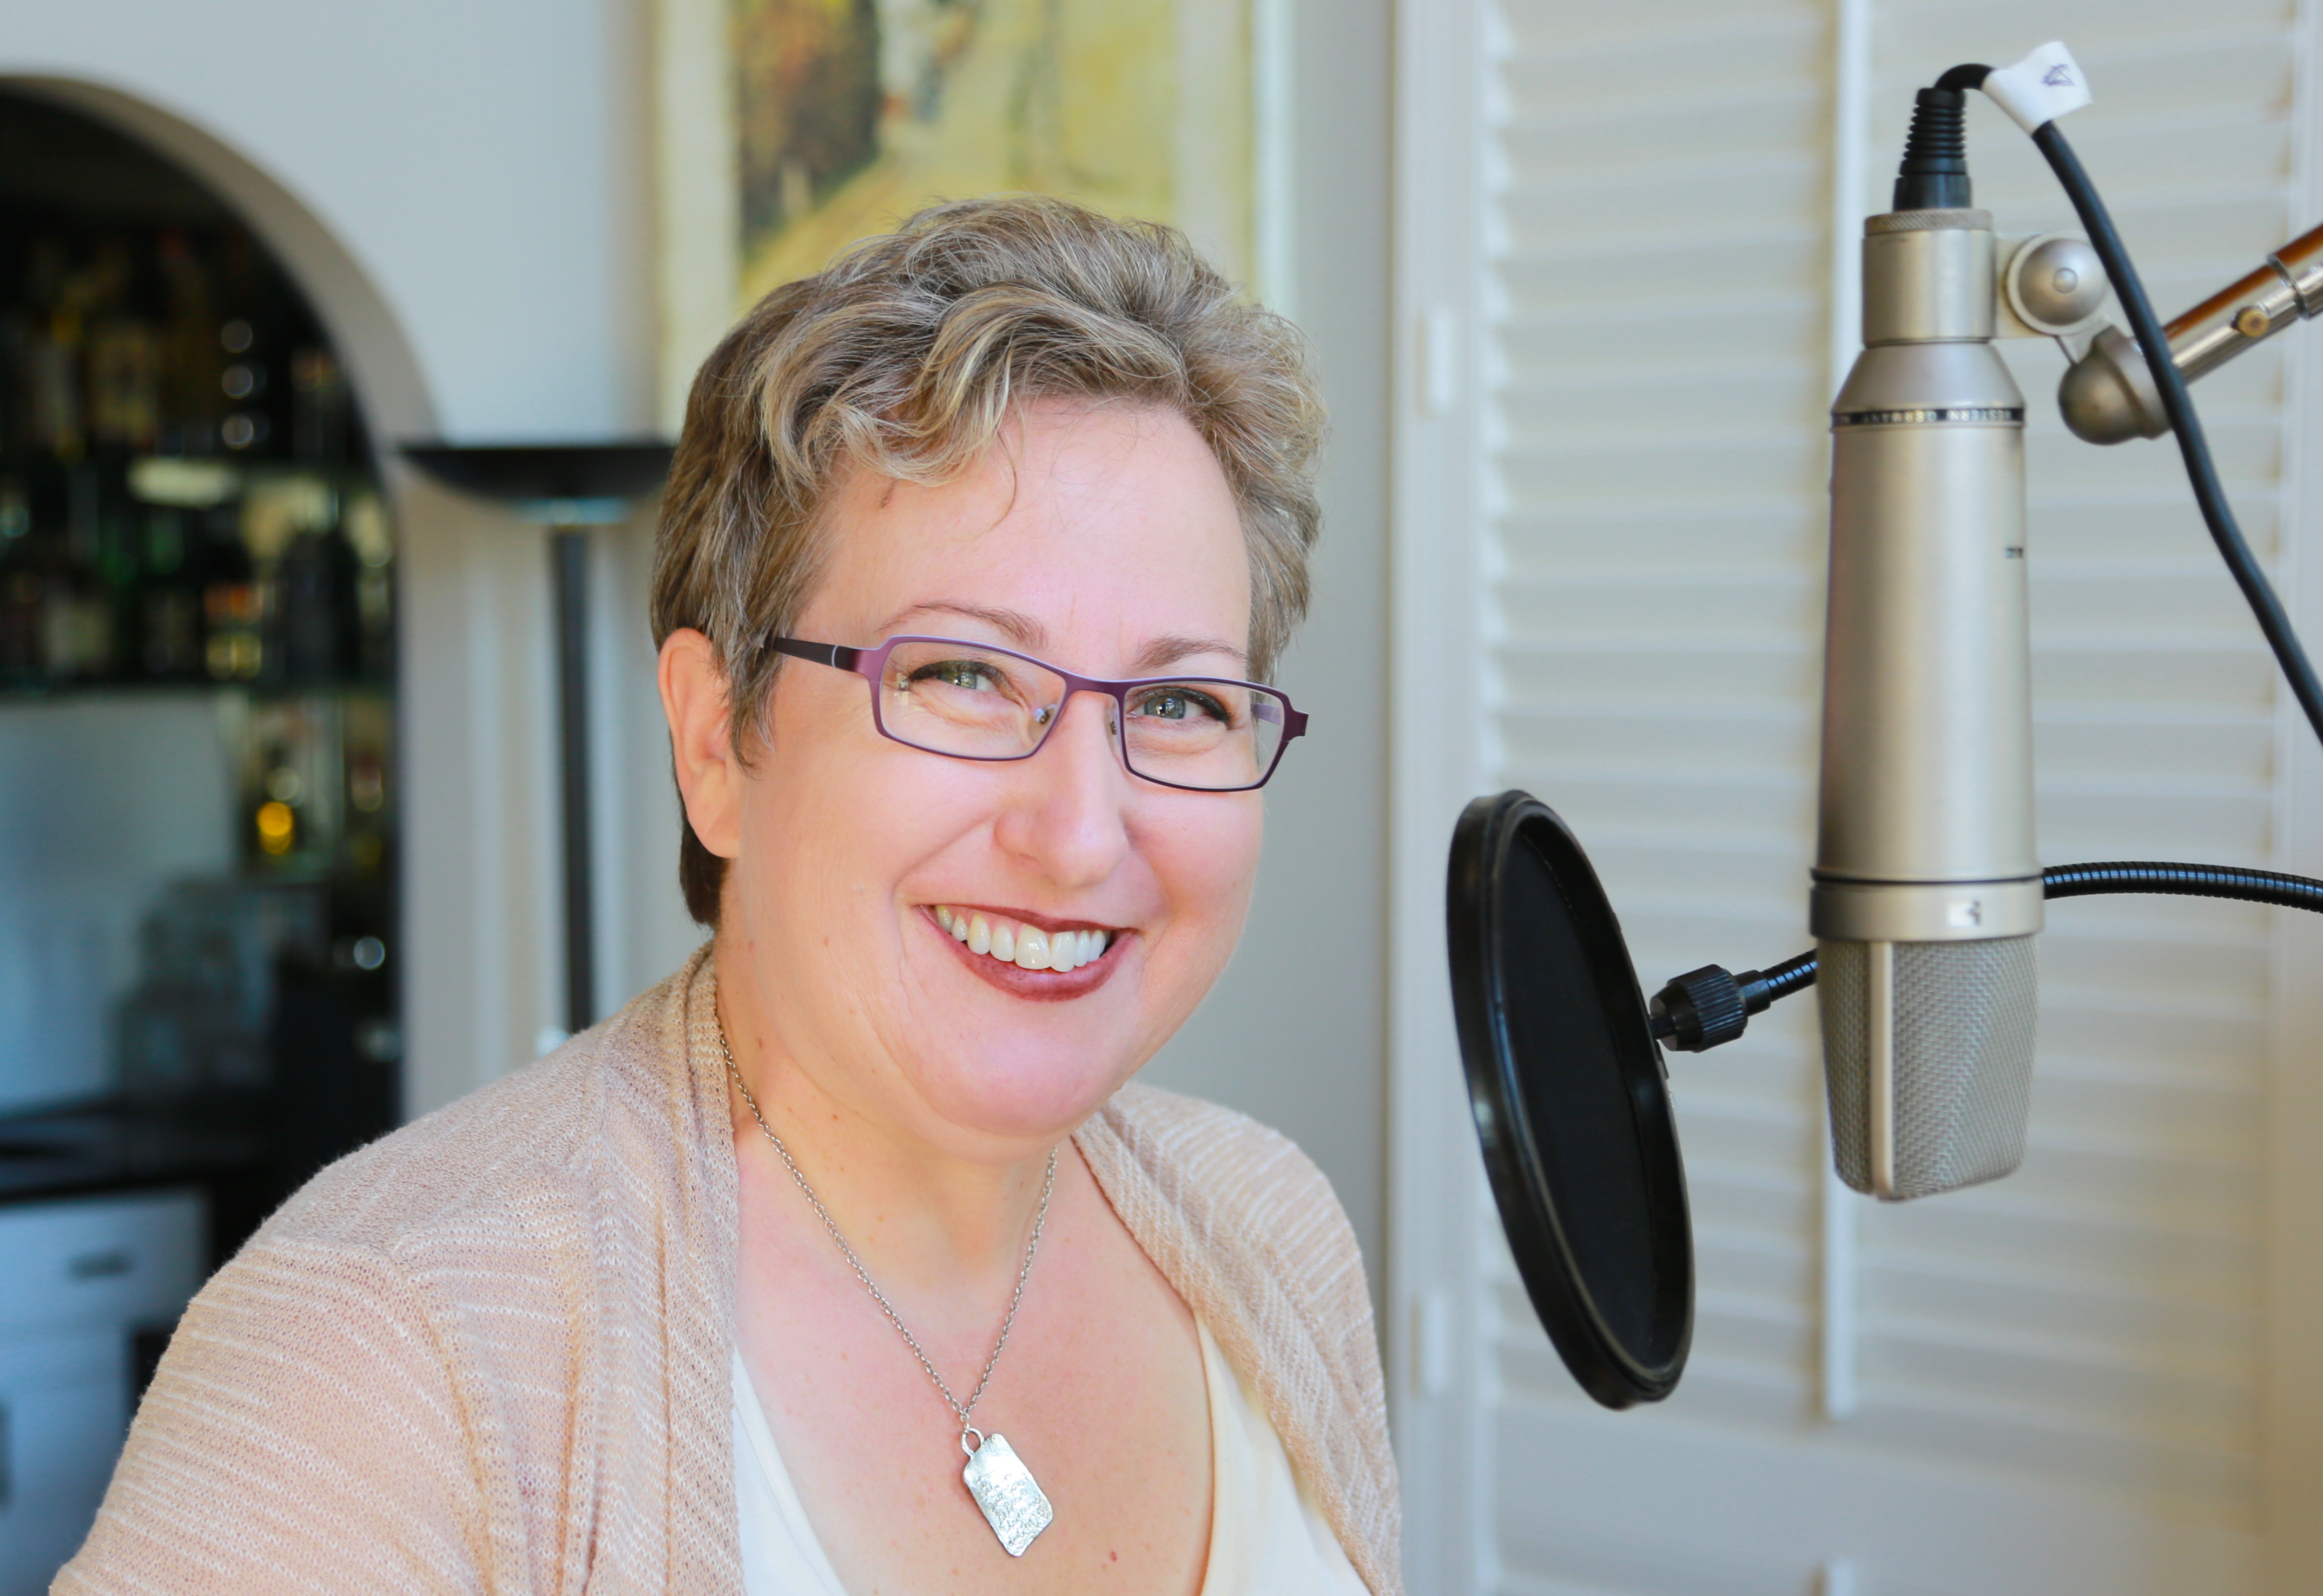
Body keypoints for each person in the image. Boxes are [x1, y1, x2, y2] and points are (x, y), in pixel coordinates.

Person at [58, 196, 1398, 1595]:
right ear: (717, 740)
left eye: (1180, 702)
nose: (1078, 836)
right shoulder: (384, 1351)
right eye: (959, 676)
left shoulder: (1268, 1229)